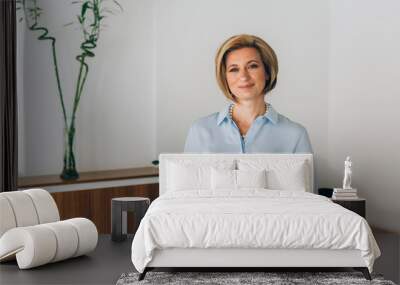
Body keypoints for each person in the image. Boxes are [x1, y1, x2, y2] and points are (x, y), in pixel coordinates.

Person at [184, 34, 312, 153]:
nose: (243, 77)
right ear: (225, 78)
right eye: (234, 69)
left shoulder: (295, 135)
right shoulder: (200, 130)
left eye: (252, 66)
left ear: (267, 72)